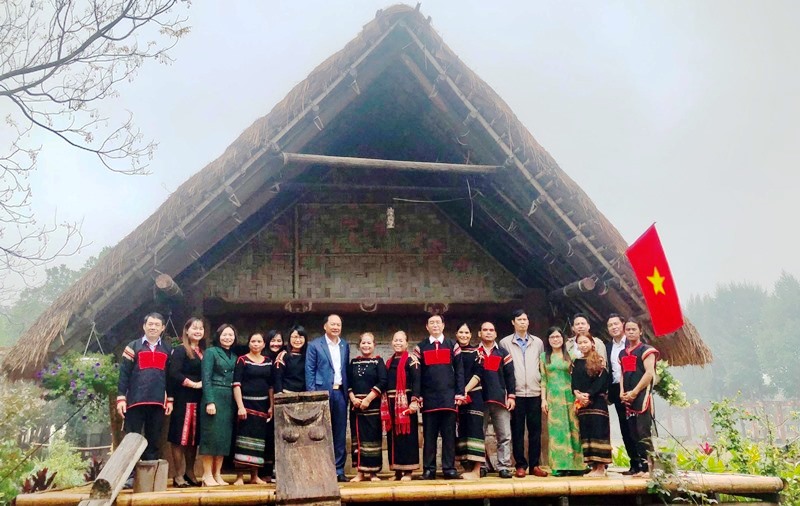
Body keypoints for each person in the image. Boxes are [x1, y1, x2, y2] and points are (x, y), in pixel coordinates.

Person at [413, 314, 466, 480]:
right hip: (429, 399)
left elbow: (460, 371)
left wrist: (460, 393)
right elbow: (417, 375)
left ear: (443, 325)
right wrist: (417, 395)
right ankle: (429, 469)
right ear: (427, 327)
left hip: (448, 398)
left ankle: (449, 468)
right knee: (429, 436)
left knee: (449, 435)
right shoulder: (420, 347)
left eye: (438, 322)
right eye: (431, 323)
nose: (435, 325)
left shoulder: (452, 345)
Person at [117, 313, 174, 464]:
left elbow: (170, 377)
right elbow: (124, 374)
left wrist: (170, 399)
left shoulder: (168, 349)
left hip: (157, 402)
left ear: (163, 328)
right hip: (135, 401)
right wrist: (121, 398)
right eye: (150, 324)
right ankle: (129, 473)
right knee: (131, 438)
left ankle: (149, 473)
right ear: (144, 326)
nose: (153, 327)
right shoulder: (133, 347)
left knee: (154, 439)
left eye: (157, 325)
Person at [499, 309, 548, 478]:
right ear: (513, 322)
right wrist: (508, 392)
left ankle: (535, 465)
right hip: (516, 393)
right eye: (519, 319)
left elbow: (542, 366)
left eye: (525, 319)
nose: (523, 322)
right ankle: (520, 465)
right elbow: (504, 369)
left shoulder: (538, 342)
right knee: (517, 430)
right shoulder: (505, 343)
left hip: (535, 391)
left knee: (535, 431)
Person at [306, 314, 350, 482]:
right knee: (320, 431)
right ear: (325, 326)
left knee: (340, 432)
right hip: (322, 393)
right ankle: (321, 469)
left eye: (338, 324)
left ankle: (339, 470)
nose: (336, 327)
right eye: (332, 324)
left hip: (340, 393)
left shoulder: (344, 345)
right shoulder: (314, 345)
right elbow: (309, 371)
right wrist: (313, 395)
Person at [539, 327, 584, 476]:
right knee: (556, 431)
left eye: (558, 337)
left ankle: (576, 465)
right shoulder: (544, 357)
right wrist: (543, 400)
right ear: (548, 340)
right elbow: (543, 380)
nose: (555, 340)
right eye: (552, 337)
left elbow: (578, 376)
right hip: (553, 397)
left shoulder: (571, 355)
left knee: (573, 429)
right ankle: (559, 466)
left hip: (569, 395)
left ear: (563, 339)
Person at [232, 332, 275, 485]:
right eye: (253, 341)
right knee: (242, 440)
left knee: (258, 441)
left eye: (259, 341)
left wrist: (271, 406)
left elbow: (271, 386)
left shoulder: (268, 362)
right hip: (246, 405)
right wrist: (240, 406)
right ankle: (239, 476)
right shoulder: (242, 360)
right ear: (249, 343)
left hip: (262, 406)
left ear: (264, 344)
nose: (256, 344)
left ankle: (254, 476)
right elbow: (236, 384)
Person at [619, 318, 659, 477]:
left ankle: (652, 468)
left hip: (642, 395)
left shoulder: (647, 350)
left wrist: (635, 392)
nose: (630, 332)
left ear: (640, 331)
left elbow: (649, 373)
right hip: (628, 397)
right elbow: (623, 374)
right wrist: (622, 392)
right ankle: (642, 467)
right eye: (627, 329)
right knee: (633, 432)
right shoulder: (623, 353)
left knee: (644, 432)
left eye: (633, 329)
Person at [168, 317, 205, 487]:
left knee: (193, 438)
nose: (198, 331)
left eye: (200, 328)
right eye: (194, 328)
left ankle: (190, 472)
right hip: (183, 398)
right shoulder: (180, 350)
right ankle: (178, 475)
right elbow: (174, 373)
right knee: (179, 437)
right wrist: (193, 384)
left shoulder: (203, 352)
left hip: (199, 399)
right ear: (187, 331)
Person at [199, 323, 238, 487]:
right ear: (218, 336)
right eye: (224, 334)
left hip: (228, 399)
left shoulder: (234, 356)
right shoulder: (211, 352)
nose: (227, 337)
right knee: (210, 437)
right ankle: (206, 474)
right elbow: (206, 378)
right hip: (214, 395)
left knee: (223, 438)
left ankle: (217, 474)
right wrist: (210, 401)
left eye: (231, 335)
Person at [476, 321, 515, 479]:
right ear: (479, 333)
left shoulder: (503, 353)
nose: (488, 332)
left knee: (504, 435)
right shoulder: (474, 352)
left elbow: (510, 376)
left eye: (491, 330)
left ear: (495, 333)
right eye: (485, 330)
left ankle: (503, 466)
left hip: (500, 400)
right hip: (480, 400)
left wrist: (511, 396)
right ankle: (481, 466)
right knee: (479, 434)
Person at [347, 332, 387, 482]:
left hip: (372, 407)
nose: (366, 345)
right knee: (358, 439)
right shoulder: (353, 363)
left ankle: (373, 473)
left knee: (372, 439)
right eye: (363, 343)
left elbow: (383, 382)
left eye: (369, 343)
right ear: (359, 345)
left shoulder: (378, 362)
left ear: (374, 345)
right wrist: (353, 399)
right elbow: (348, 383)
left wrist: (368, 399)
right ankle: (360, 473)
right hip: (356, 407)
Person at [571, 334, 612, 477]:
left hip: (597, 402)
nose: (583, 345)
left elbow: (602, 381)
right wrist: (577, 393)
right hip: (583, 405)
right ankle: (593, 467)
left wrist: (588, 394)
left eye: (585, 342)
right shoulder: (576, 362)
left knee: (598, 433)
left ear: (592, 343)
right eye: (580, 343)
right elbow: (574, 381)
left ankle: (601, 467)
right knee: (587, 434)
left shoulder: (599, 360)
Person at [383, 331, 421, 481]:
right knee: (394, 438)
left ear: (407, 343)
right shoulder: (389, 362)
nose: (398, 343)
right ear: (392, 342)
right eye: (395, 340)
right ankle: (397, 471)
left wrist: (414, 401)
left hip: (406, 403)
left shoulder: (412, 360)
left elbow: (417, 381)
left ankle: (408, 471)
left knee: (407, 437)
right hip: (391, 404)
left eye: (401, 340)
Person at [605, 314, 638, 475]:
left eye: (616, 324)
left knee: (637, 426)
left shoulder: (631, 343)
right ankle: (634, 464)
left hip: (633, 389)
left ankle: (644, 463)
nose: (614, 327)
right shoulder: (607, 347)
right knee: (624, 427)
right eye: (610, 325)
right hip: (617, 390)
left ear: (623, 324)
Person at [454, 323, 484, 480]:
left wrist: (464, 390)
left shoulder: (477, 352)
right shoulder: (453, 351)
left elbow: (478, 374)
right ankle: (466, 467)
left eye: (466, 332)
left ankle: (477, 470)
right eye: (461, 332)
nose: (464, 335)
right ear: (456, 334)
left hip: (473, 395)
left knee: (475, 430)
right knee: (461, 430)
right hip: (457, 398)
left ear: (471, 335)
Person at [275, 325, 308, 393]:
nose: (298, 340)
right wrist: (280, 393)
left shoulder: (309, 354)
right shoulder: (283, 355)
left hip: (305, 393)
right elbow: (277, 377)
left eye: (300, 337)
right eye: (295, 337)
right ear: (289, 338)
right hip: (287, 393)